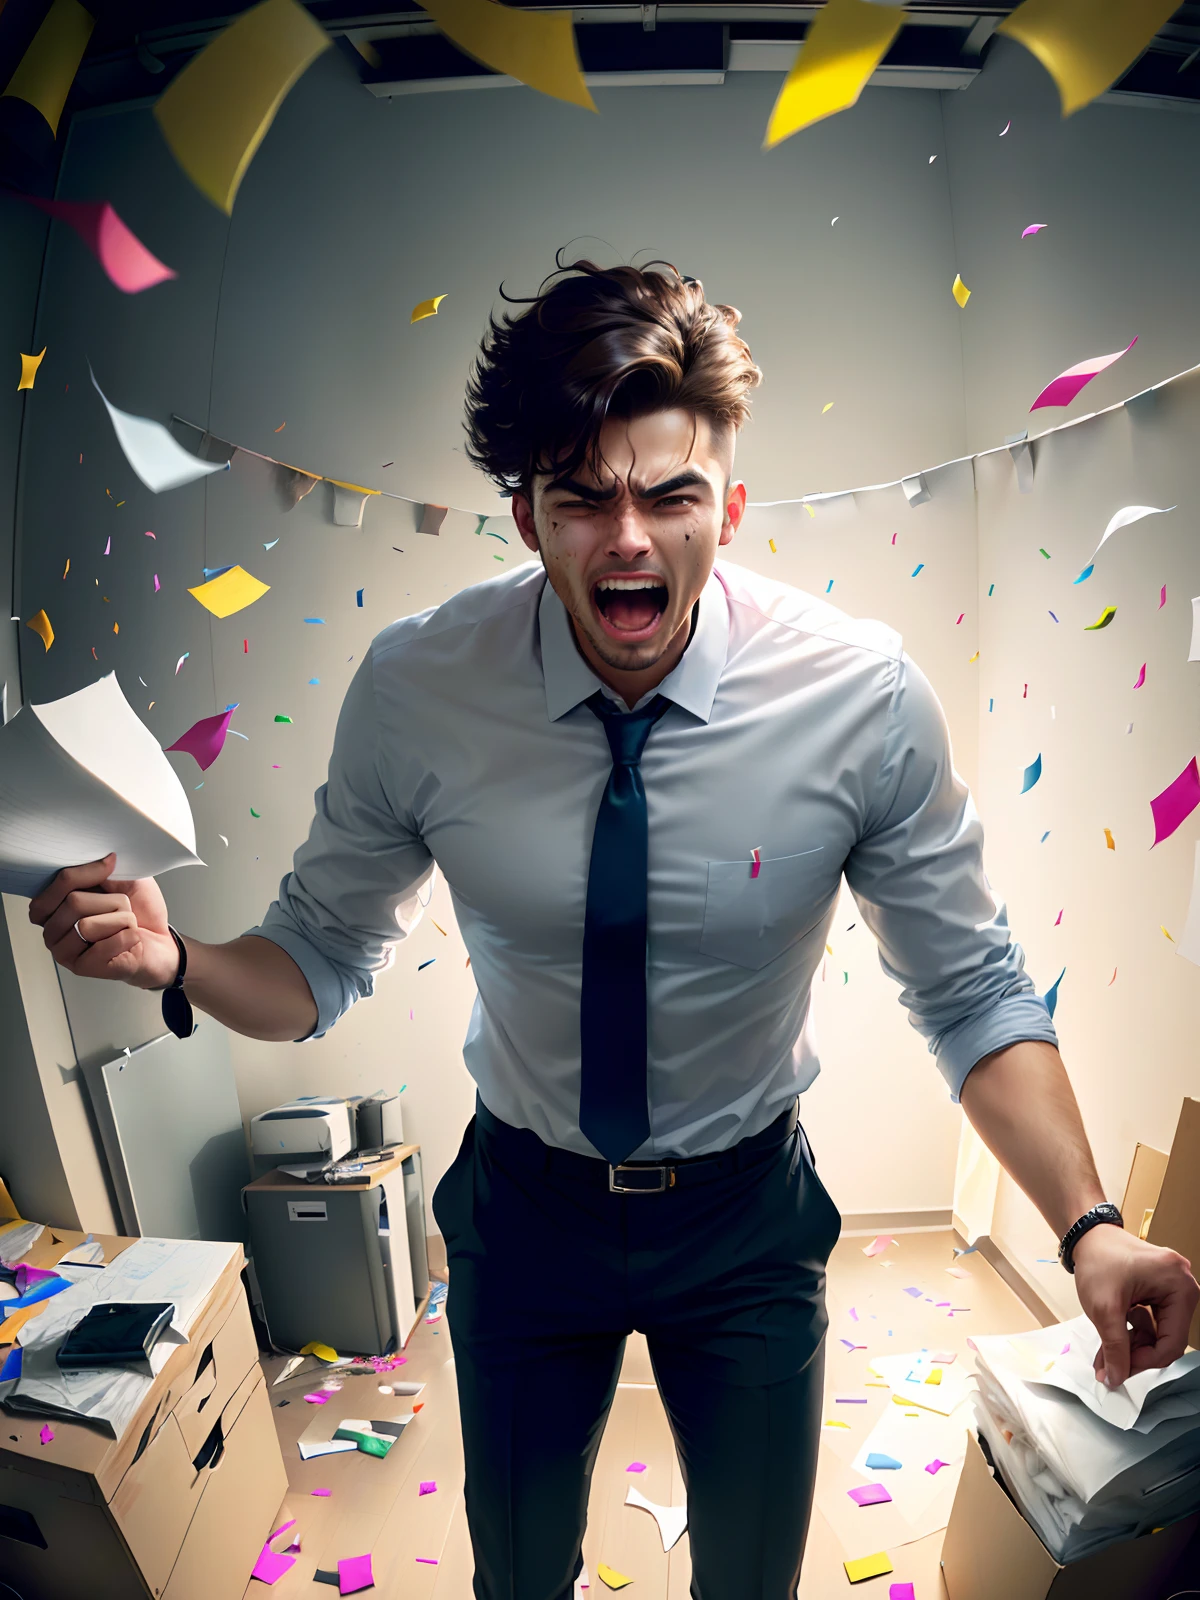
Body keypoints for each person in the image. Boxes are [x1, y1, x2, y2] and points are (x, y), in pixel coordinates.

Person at [31, 260, 1198, 1600]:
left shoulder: (862, 696)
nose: (629, 536)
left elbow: (975, 988)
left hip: (747, 1220)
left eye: (669, 493)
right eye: (585, 498)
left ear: (730, 506)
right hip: (525, 1218)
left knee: (751, 1583)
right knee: (516, 1577)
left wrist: (1090, 1226)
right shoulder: (417, 686)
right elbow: (315, 957)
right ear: (527, 517)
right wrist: (173, 959)